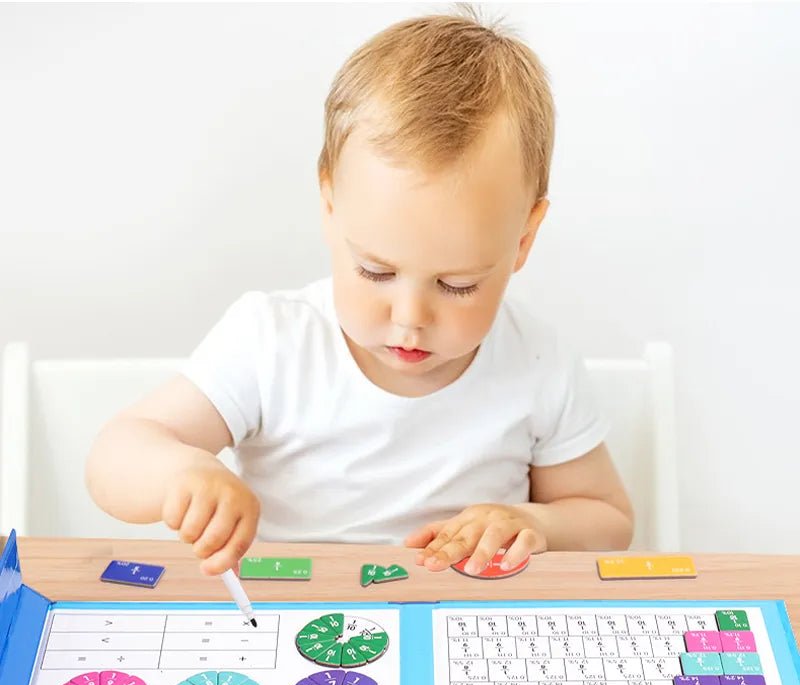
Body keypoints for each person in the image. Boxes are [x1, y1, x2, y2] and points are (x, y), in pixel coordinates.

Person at [85, 8, 634, 579]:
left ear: (524, 239)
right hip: (295, 622)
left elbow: (607, 520)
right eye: (375, 271)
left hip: (455, 628)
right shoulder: (271, 341)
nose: (409, 317)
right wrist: (181, 473)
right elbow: (115, 456)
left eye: (457, 284)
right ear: (328, 206)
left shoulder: (539, 363)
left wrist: (536, 523)